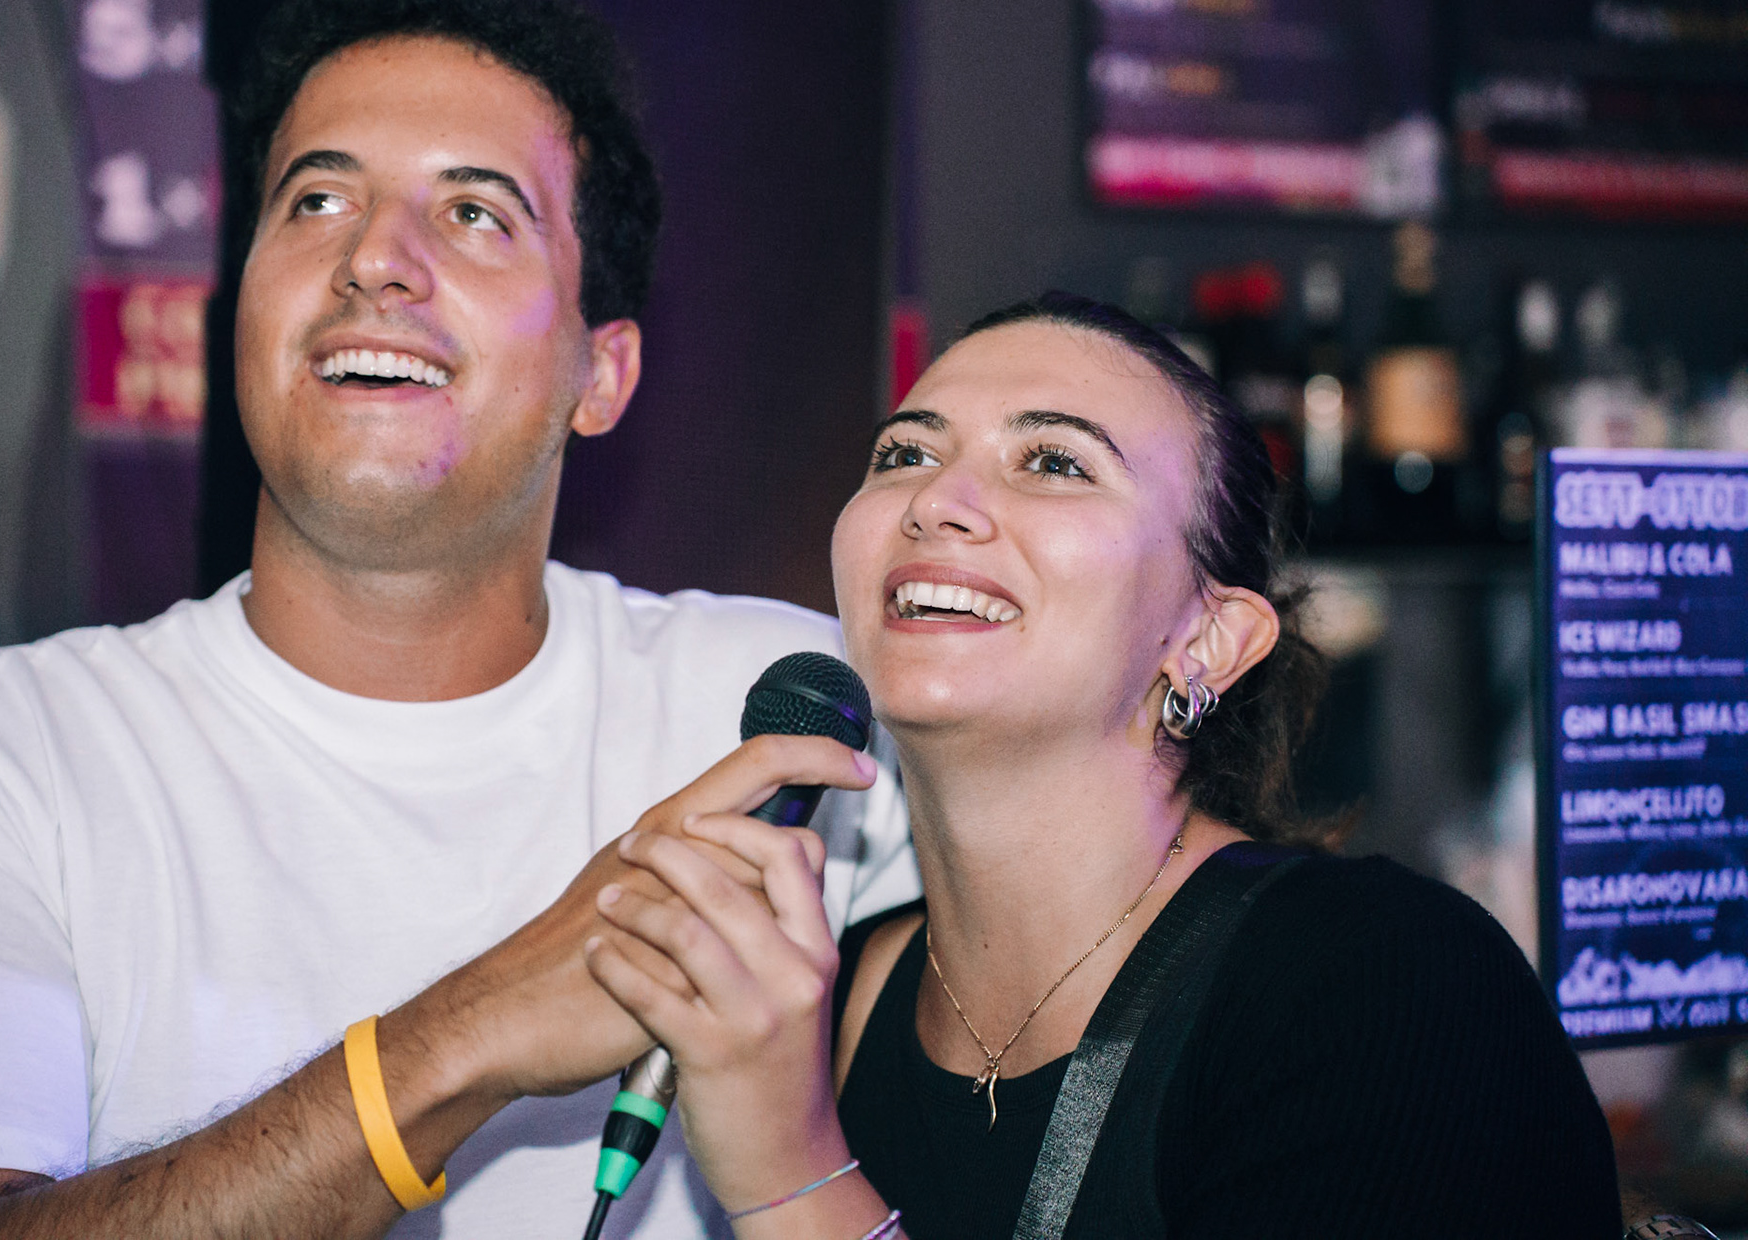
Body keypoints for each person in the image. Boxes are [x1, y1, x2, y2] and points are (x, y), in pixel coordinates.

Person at [0, 0, 914, 1238]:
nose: (375, 261)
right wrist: (467, 1034)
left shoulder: (793, 714)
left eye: (474, 212)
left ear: (600, 373)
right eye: (318, 200)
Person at [581, 293, 1622, 1238]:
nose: (936, 500)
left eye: (1054, 462)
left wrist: (791, 1178)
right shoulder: (814, 1006)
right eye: (903, 452)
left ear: (1207, 640)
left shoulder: (1388, 987)